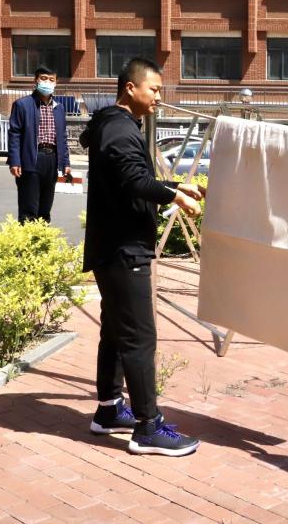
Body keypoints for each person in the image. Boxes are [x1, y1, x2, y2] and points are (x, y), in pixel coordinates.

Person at [80, 58, 205, 457]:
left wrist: (176, 185)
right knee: (139, 338)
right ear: (130, 88)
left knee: (117, 331)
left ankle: (108, 409)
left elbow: (131, 178)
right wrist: (176, 196)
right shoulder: (119, 128)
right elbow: (134, 180)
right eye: (153, 89)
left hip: (113, 247)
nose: (158, 98)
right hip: (123, 248)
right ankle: (148, 427)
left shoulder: (115, 125)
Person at [7, 66, 72, 223]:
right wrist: (15, 161)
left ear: (56, 82)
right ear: (36, 80)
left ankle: (43, 237)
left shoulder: (59, 108)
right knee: (29, 208)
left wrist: (66, 162)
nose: (47, 82)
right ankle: (28, 237)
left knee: (45, 208)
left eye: (51, 79)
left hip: (51, 160)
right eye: (43, 78)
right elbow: (14, 134)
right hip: (31, 159)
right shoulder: (22, 105)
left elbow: (62, 137)